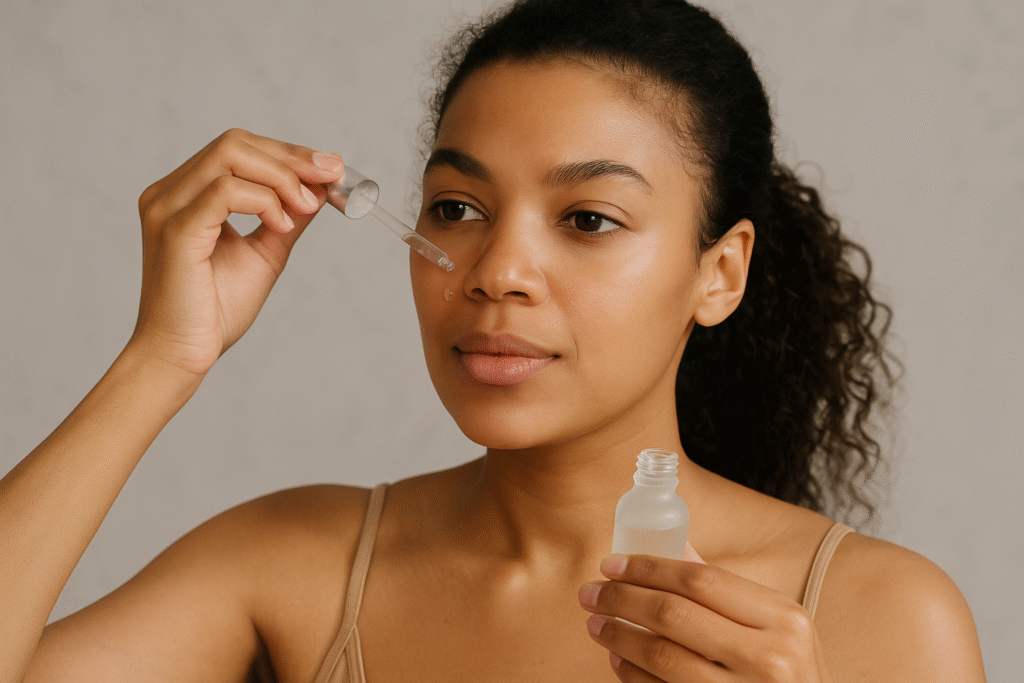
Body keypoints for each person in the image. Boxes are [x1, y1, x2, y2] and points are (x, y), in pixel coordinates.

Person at [1, 0, 986, 681]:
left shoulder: (882, 616)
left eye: (588, 218)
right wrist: (162, 356)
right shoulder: (288, 563)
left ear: (717, 272)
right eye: (459, 205)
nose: (494, 270)